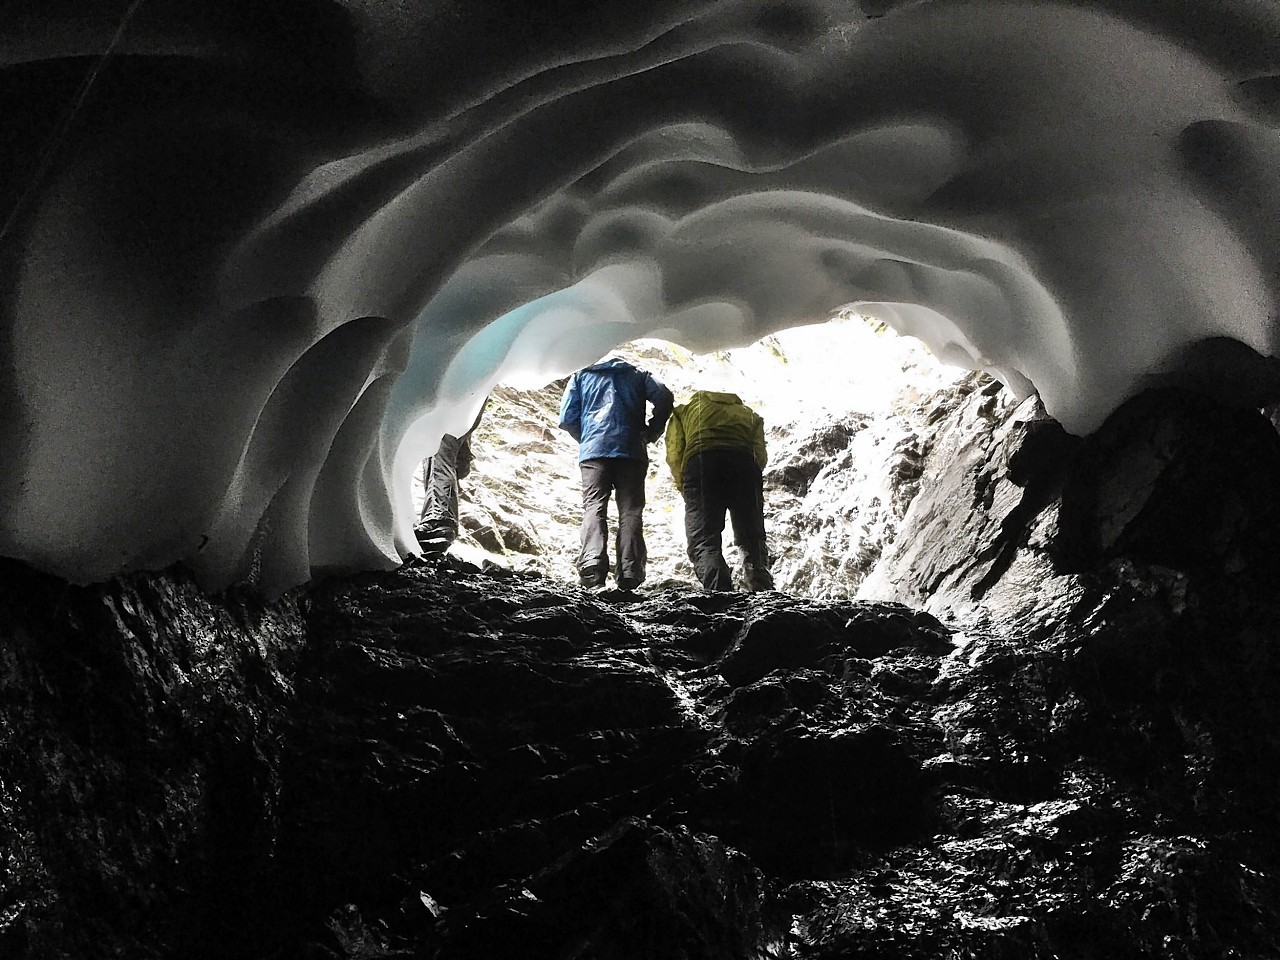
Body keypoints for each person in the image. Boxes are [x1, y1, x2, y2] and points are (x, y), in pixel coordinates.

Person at [558, 356, 674, 590]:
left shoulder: (581, 374)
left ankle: (592, 567)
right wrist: (651, 431)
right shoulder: (638, 374)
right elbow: (665, 396)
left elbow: (567, 418)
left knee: (594, 507)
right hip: (631, 450)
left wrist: (588, 440)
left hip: (594, 453)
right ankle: (630, 572)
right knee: (630, 511)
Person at [664, 390, 774, 592]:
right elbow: (760, 456)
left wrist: (685, 488)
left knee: (704, 540)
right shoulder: (749, 414)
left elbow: (674, 453)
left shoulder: (685, 411)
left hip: (702, 464)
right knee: (751, 538)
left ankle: (719, 593)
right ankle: (762, 591)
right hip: (744, 465)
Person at [417, 397, 488, 554]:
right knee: (446, 450)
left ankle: (439, 519)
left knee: (436, 448)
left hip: (454, 403)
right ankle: (441, 520)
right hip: (471, 401)